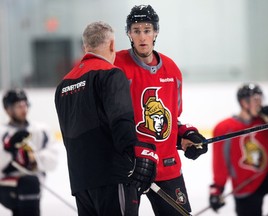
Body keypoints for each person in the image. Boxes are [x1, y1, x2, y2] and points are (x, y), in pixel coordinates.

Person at [54, 21, 158, 216]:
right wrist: (138, 154)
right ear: (112, 45)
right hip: (113, 176)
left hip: (81, 182)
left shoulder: (63, 85)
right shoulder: (111, 74)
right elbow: (121, 120)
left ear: (85, 47)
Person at [114, 5, 208, 215]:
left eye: (147, 30)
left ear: (156, 32)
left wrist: (187, 134)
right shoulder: (117, 65)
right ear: (128, 33)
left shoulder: (172, 70)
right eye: (136, 30)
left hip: (166, 164)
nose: (142, 36)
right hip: (130, 167)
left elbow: (173, 119)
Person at [209, 83, 268, 216]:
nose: (259, 103)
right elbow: (220, 162)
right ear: (244, 103)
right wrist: (217, 189)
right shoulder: (225, 128)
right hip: (244, 184)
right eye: (255, 100)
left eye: (260, 99)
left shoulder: (263, 121)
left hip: (266, 174)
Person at [0, 88, 58, 216]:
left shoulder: (40, 130)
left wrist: (33, 159)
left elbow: (52, 161)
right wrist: (10, 149)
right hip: (7, 186)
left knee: (30, 183)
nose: (23, 108)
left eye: (25, 104)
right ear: (8, 109)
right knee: (29, 183)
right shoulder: (1, 132)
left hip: (33, 184)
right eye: (18, 105)